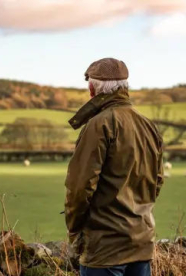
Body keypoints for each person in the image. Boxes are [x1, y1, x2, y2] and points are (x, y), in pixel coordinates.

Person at [64, 58, 164, 276]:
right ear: (125, 87)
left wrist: (74, 229)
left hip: (105, 249)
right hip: (142, 243)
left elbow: (80, 187)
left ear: (92, 89)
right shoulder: (148, 125)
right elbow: (157, 181)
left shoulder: (99, 124)